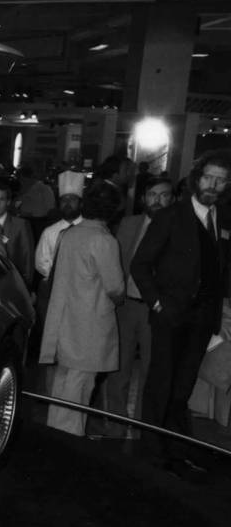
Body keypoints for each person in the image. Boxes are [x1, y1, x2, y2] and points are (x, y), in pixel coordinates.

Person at [130, 149, 231, 477]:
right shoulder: (171, 216)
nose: (213, 185)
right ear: (195, 179)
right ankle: (152, 453)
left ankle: (174, 450)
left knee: (182, 388)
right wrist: (158, 303)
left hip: (202, 321)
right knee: (160, 385)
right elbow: (140, 264)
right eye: (208, 177)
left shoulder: (221, 218)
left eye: (221, 180)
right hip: (171, 317)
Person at [38, 182, 125, 436]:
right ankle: (70, 440)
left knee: (63, 382)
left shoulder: (70, 234)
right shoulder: (104, 239)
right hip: (91, 323)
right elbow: (115, 287)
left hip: (64, 318)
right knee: (80, 386)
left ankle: (55, 434)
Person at [90, 177, 174, 438]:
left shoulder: (178, 228)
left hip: (156, 310)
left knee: (151, 371)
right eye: (152, 195)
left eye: (163, 195)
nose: (157, 200)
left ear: (172, 199)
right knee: (118, 368)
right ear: (143, 198)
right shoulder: (129, 224)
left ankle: (141, 429)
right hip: (125, 306)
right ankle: (115, 425)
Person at [0, 180, 35, 286]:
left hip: (12, 284)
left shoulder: (20, 225)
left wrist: (26, 288)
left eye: (1, 199)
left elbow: (27, 260)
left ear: (8, 202)